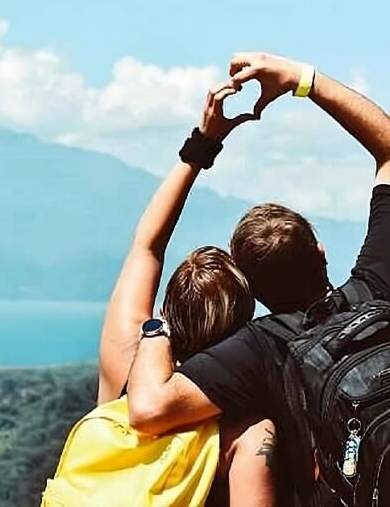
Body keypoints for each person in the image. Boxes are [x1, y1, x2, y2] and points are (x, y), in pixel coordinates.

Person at [125, 52, 390, 504]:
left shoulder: (261, 350)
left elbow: (148, 408)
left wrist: (158, 327)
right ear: (321, 253)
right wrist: (300, 79)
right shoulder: (377, 285)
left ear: (251, 286)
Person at [98, 81, 277, 506]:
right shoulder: (245, 427)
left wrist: (203, 145)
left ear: (167, 308)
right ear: (242, 326)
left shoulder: (125, 359)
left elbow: (147, 244)